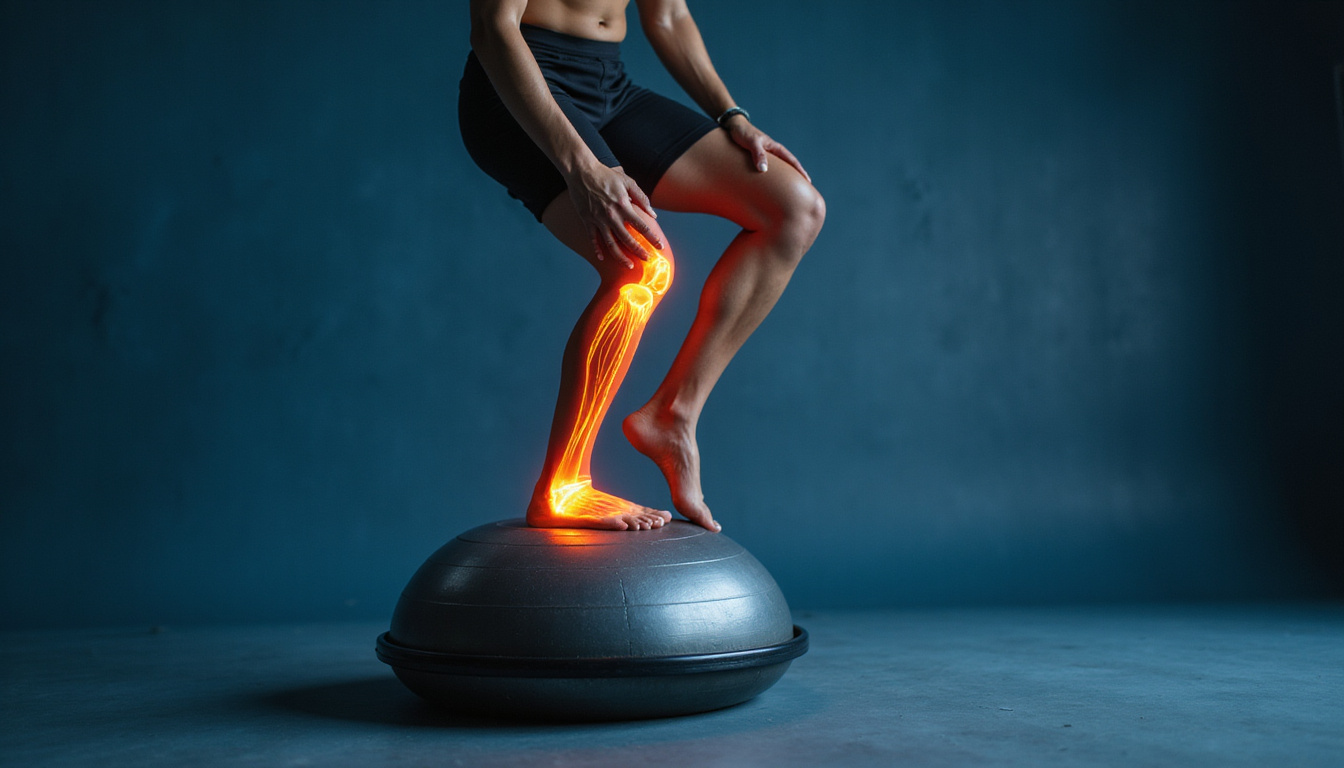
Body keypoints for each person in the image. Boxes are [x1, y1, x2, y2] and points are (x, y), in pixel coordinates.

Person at [462, 0, 824, 532]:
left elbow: (669, 14)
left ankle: (673, 415)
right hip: (517, 85)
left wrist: (732, 116)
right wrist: (583, 168)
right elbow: (493, 29)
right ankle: (562, 487)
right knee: (642, 266)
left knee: (795, 207)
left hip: (608, 83)